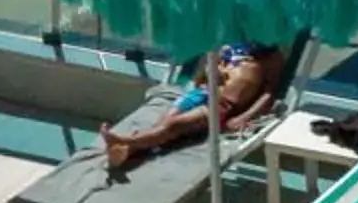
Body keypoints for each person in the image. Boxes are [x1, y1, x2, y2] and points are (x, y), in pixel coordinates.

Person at [102, 46, 286, 174]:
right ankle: (125, 151)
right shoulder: (234, 44)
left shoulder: (272, 57)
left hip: (223, 105)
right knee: (163, 122)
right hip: (201, 92)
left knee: (173, 125)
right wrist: (214, 70)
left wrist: (245, 117)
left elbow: (269, 94)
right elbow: (208, 67)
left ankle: (124, 140)